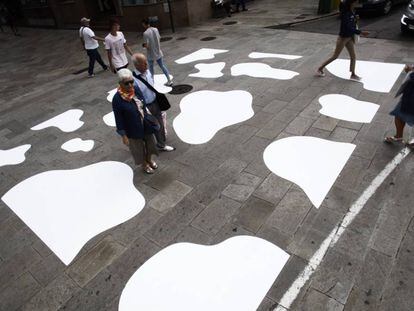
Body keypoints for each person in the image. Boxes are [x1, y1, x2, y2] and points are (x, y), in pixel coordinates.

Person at [112, 68, 159, 174]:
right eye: (126, 83)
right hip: (132, 128)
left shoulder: (136, 89)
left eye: (131, 81)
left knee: (151, 143)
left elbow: (143, 104)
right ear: (120, 83)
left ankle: (149, 159)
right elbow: (118, 118)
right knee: (138, 148)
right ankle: (144, 164)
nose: (129, 85)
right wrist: (123, 135)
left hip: (145, 123)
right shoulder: (117, 99)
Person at [131, 53, 175, 152]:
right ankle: (152, 146)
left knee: (160, 124)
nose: (147, 65)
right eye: (144, 64)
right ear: (137, 65)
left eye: (146, 62)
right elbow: (134, 97)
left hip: (155, 102)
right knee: (153, 126)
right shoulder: (133, 80)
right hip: (145, 107)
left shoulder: (148, 72)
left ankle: (161, 143)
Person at [317, 0, 369, 80]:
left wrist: (355, 19)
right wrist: (361, 32)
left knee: (353, 56)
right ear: (352, 3)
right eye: (356, 2)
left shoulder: (352, 11)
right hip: (343, 38)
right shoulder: (346, 14)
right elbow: (348, 27)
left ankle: (353, 74)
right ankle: (320, 68)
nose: (357, 3)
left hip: (349, 38)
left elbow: (352, 24)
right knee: (335, 56)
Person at [384, 65, 414, 147]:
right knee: (399, 114)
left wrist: (410, 72)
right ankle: (398, 136)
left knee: (399, 114)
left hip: (411, 97)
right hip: (409, 95)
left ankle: (399, 136)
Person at [142, 18, 173, 86]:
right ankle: (169, 80)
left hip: (151, 53)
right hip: (158, 51)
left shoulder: (145, 33)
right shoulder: (155, 29)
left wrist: (144, 46)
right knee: (162, 66)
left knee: (151, 68)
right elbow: (159, 38)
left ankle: (152, 82)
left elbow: (146, 45)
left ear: (144, 24)